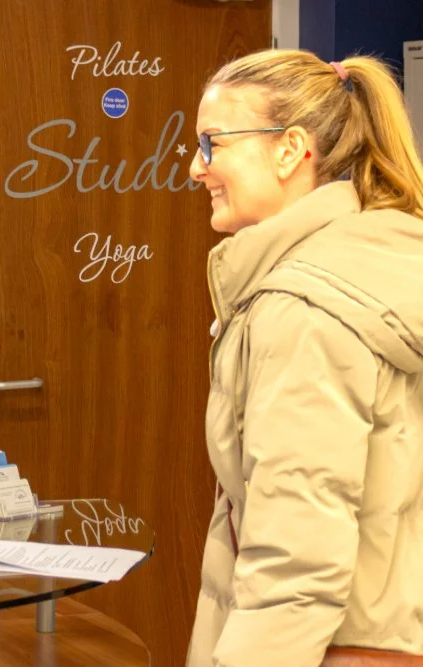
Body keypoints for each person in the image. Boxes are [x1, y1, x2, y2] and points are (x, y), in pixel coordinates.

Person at [187, 49, 423, 666]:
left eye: (212, 143)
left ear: (290, 149)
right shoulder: (381, 261)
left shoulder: (303, 310)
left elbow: (293, 562)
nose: (195, 167)